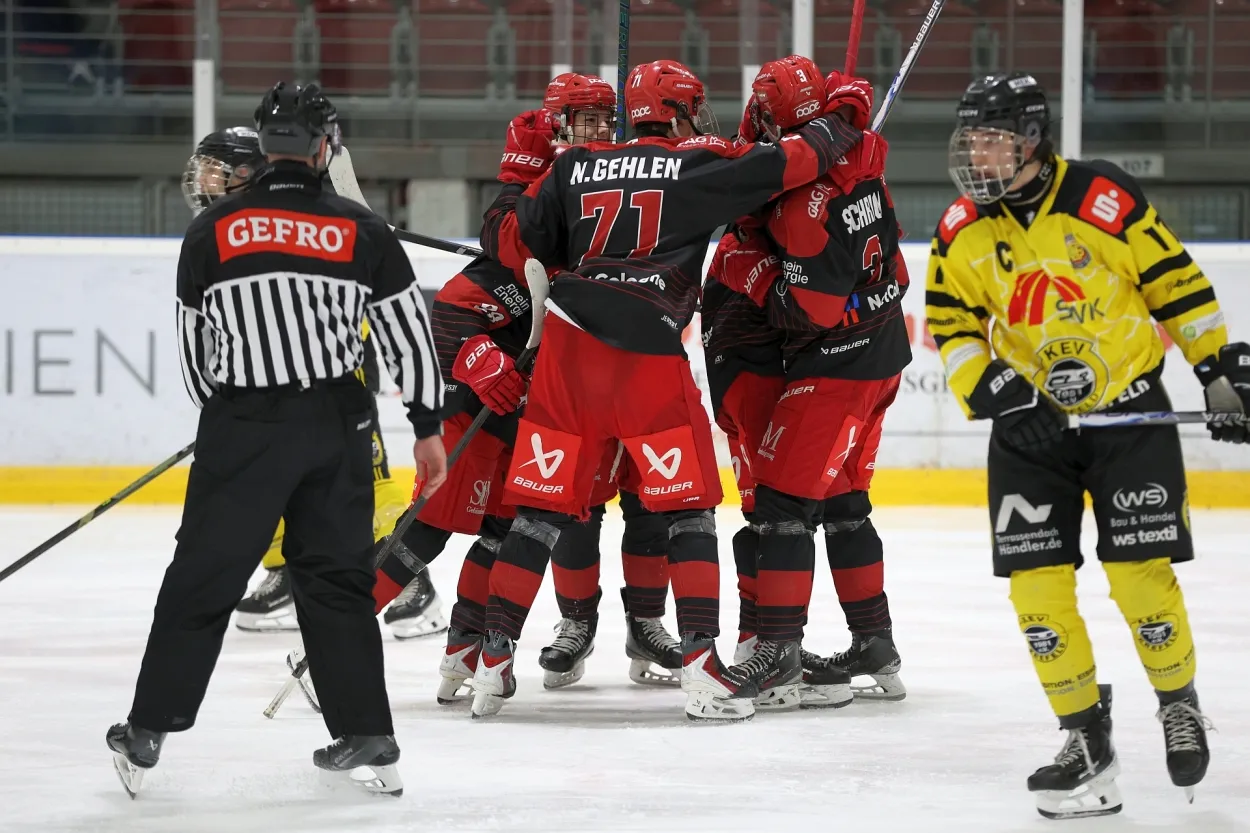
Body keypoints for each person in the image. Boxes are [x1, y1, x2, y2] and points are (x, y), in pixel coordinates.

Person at [471, 57, 883, 721]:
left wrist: (520, 172)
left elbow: (508, 241)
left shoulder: (574, 166)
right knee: (688, 511)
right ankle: (701, 669)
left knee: (539, 513)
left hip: (569, 347)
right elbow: (795, 162)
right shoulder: (698, 160)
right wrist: (842, 118)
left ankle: (492, 667)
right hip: (646, 352)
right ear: (681, 111)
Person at [107, 82, 446, 798]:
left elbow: (195, 355)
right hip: (339, 426)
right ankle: (367, 732)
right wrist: (426, 427)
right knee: (338, 583)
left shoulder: (211, 230)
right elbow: (409, 339)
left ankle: (149, 727)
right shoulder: (361, 228)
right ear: (324, 146)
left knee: (202, 577)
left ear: (264, 145)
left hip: (245, 425)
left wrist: (230, 418)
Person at [926, 71, 1247, 818]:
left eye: (992, 140)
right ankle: (1085, 737)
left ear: (1033, 141)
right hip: (1030, 432)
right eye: (970, 140)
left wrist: (1218, 371)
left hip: (1128, 416)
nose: (977, 155)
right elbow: (951, 322)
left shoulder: (1101, 198)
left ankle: (1178, 702)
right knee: (1036, 592)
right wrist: (1000, 392)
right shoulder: (962, 227)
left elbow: (1174, 282)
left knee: (1140, 578)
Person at [180, 127, 446, 640]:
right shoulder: (227, 230)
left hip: (334, 380)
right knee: (268, 480)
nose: (204, 182)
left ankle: (411, 582)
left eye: (216, 171)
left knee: (365, 484)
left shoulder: (306, 220)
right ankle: (285, 574)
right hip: (265, 392)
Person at [709, 56, 910, 710]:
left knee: (781, 508)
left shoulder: (800, 206)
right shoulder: (866, 159)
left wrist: (755, 274)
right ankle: (875, 644)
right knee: (846, 503)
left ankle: (778, 653)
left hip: (837, 369)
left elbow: (811, 312)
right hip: (882, 354)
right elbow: (899, 274)